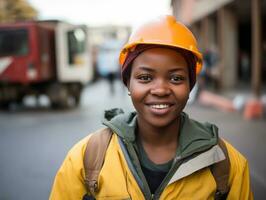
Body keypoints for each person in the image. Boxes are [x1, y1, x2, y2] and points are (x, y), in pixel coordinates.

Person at [49, 15, 253, 200]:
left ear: (190, 86)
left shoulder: (226, 163)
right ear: (128, 83)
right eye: (145, 77)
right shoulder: (86, 159)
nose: (161, 89)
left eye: (176, 78)